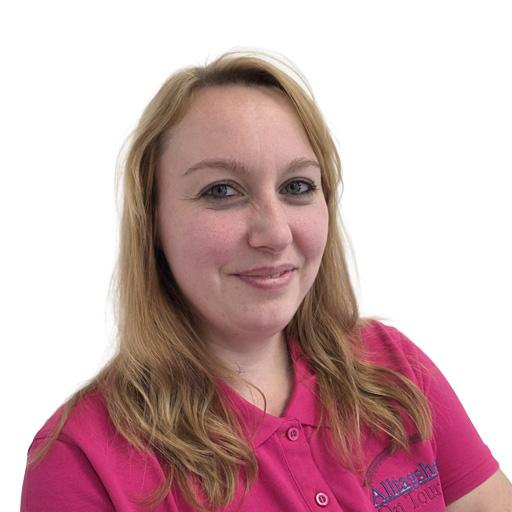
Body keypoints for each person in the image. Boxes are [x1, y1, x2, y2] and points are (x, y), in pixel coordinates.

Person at [20, 49, 512, 512]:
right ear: (152, 222)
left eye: (297, 186)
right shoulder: (79, 461)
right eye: (221, 191)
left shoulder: (393, 367)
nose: (275, 233)